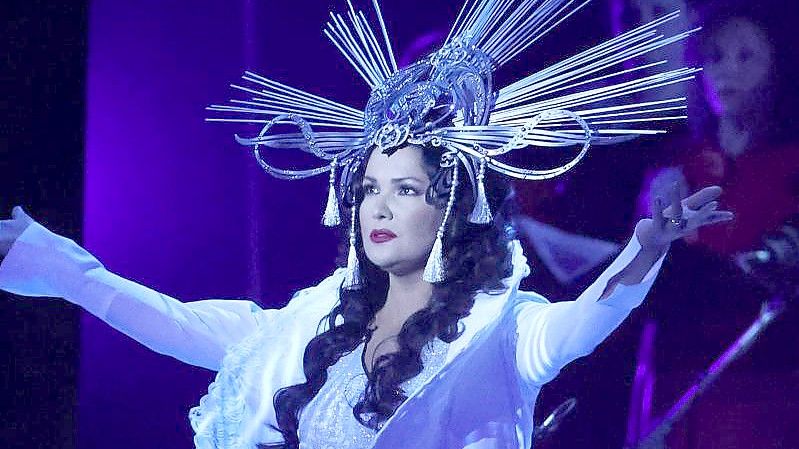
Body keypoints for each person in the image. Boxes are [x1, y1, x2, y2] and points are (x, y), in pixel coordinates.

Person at [0, 2, 733, 448]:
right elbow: (179, 323)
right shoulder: (313, 324)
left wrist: (642, 250)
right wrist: (64, 270)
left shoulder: (502, 329)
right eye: (369, 189)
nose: (377, 207)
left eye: (405, 189)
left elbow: (582, 323)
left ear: (451, 206)